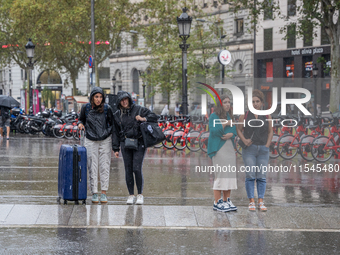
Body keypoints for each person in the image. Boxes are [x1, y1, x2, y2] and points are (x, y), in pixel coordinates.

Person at [112, 91, 158, 205]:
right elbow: (115, 132)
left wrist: (143, 119)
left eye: (126, 99)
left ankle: (140, 195)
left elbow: (155, 117)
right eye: (122, 100)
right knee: (128, 169)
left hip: (139, 142)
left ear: (129, 99)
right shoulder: (117, 114)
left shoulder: (139, 109)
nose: (124, 101)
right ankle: (131, 195)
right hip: (125, 143)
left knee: (136, 168)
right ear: (119, 101)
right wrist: (115, 148)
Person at [236, 89, 273, 212]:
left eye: (257, 101)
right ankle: (251, 201)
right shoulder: (245, 115)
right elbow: (239, 129)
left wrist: (267, 145)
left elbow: (270, 131)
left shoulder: (267, 115)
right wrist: (244, 140)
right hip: (249, 150)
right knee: (251, 175)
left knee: (261, 176)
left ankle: (261, 202)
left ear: (262, 103)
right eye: (253, 101)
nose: (255, 103)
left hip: (263, 149)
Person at [77, 87, 114, 204]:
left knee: (104, 165)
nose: (98, 99)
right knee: (92, 165)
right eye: (96, 96)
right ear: (92, 97)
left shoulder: (107, 108)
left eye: (100, 97)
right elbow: (80, 119)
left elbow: (112, 124)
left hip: (105, 139)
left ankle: (104, 192)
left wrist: (108, 135)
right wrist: (80, 124)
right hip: (90, 139)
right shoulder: (86, 108)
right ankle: (94, 192)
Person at [207, 95, 238, 212]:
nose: (227, 104)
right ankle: (217, 202)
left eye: (229, 102)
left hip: (229, 148)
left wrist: (231, 134)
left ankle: (226, 200)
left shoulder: (230, 116)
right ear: (220, 104)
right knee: (220, 175)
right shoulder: (214, 116)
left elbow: (234, 130)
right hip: (219, 149)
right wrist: (225, 124)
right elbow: (214, 131)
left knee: (229, 175)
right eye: (225, 102)